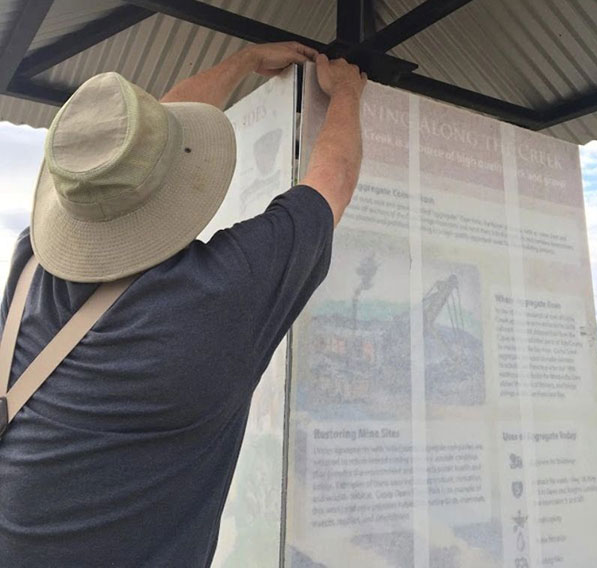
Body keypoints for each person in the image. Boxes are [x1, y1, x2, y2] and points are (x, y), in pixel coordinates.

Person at [0, 41, 366, 567]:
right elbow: (331, 183)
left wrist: (240, 63)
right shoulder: (212, 298)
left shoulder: (30, 261)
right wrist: (348, 93)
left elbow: (133, 150)